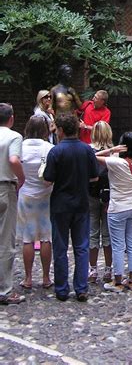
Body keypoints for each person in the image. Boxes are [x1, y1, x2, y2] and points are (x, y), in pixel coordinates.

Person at [43, 113, 99, 302]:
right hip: (81, 203)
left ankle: (61, 289)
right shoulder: (87, 151)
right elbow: (95, 177)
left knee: (60, 247)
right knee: (81, 246)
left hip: (60, 204)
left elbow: (48, 179)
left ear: (60, 130)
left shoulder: (56, 152)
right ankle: (81, 288)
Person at [95, 131, 132, 293]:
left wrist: (112, 151)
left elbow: (93, 156)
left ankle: (117, 281)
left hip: (117, 207)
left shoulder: (114, 162)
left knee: (117, 245)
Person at [17, 116, 54, 289]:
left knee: (27, 239)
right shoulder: (49, 148)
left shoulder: (21, 147)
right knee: (46, 237)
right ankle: (46, 277)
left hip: (25, 194)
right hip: (46, 195)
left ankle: (28, 277)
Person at [87, 121, 120, 284]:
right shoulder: (114, 153)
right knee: (108, 235)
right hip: (110, 197)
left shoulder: (88, 150)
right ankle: (108, 269)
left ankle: (92, 269)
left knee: (92, 233)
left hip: (91, 195)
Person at [0, 103, 25, 305]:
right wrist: (21, 178)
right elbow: (14, 159)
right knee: (6, 240)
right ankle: (4, 290)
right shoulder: (14, 136)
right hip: (5, 187)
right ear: (11, 118)